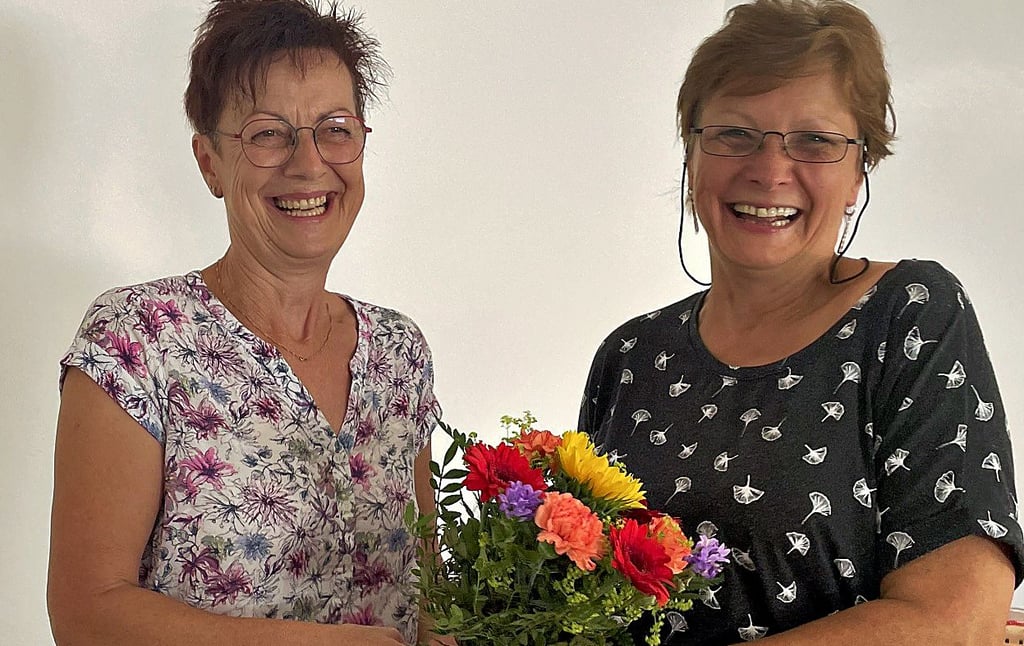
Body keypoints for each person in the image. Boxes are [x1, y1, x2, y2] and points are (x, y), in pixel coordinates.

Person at [578, 1, 1023, 643]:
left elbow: (956, 619)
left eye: (816, 141)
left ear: (858, 171)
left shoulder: (910, 313)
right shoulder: (630, 357)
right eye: (734, 133)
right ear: (691, 155)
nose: (769, 168)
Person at [47, 1, 451, 644]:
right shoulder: (136, 339)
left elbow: (427, 592)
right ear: (210, 162)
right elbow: (87, 614)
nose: (308, 163)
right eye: (268, 133)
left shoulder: (399, 352)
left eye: (336, 128)